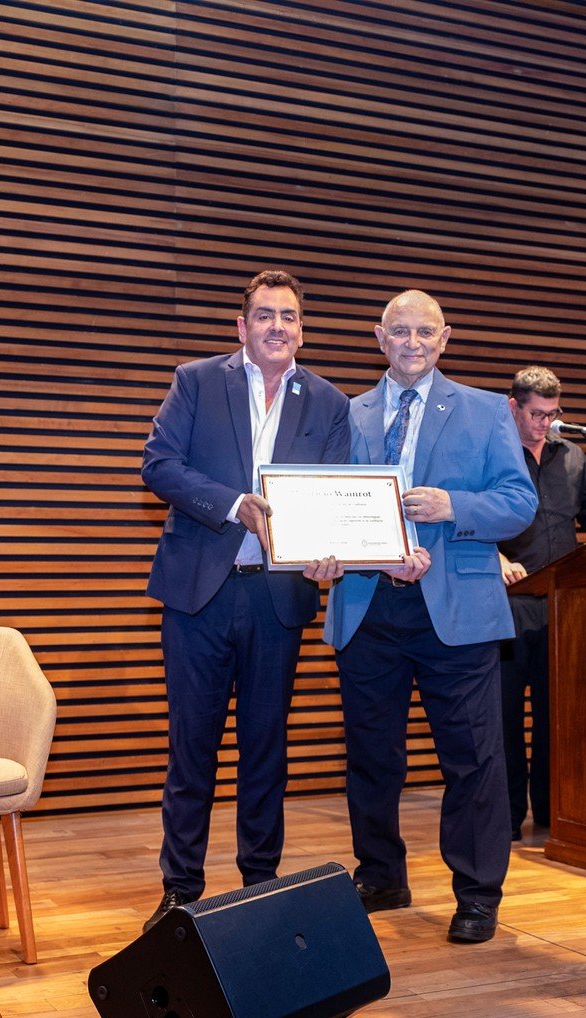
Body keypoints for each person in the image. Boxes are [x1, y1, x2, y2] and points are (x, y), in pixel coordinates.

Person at [324, 290, 538, 944]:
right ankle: (381, 872)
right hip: (368, 604)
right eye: (399, 332)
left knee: (473, 757)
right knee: (370, 755)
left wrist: (453, 505)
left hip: (459, 610)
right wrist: (342, 554)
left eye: (425, 332)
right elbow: (331, 504)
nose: (412, 342)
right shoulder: (348, 413)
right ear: (379, 338)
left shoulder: (484, 410)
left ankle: (478, 893)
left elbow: (519, 503)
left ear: (444, 339)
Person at [141, 269, 350, 932]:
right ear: (242, 326)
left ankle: (261, 883)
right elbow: (160, 465)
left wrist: (330, 555)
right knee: (191, 747)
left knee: (266, 747)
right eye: (265, 315)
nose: (277, 327)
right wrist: (233, 505)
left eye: (289, 317)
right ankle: (182, 888)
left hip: (277, 598)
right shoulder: (196, 381)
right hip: (199, 594)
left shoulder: (330, 403)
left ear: (301, 329)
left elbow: (339, 497)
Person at [499, 366, 586, 842]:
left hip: (562, 607)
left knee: (556, 715)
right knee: (505, 716)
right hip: (508, 604)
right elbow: (471, 519)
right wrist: (496, 555)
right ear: (513, 407)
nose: (544, 423)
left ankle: (553, 812)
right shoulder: (495, 456)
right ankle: (505, 817)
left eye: (552, 414)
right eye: (535, 414)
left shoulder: (573, 457)